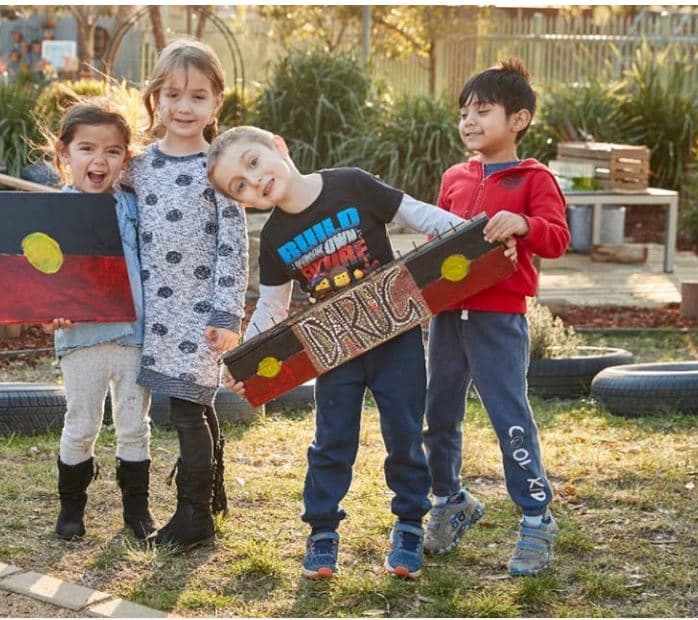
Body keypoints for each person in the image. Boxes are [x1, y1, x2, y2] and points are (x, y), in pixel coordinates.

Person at [207, 125, 514, 580]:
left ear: (277, 146)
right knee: (331, 441)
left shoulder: (350, 183)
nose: (255, 181)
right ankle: (322, 532)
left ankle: (409, 525)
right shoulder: (273, 239)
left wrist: (475, 236)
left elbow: (416, 214)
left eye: (253, 164)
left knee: (405, 434)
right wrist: (247, 361)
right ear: (245, 203)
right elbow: (272, 306)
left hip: (397, 339)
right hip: (333, 350)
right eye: (241, 186)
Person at [422, 58, 570, 576]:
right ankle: (449, 502)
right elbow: (436, 239)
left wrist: (524, 224)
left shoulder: (534, 177)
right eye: (464, 112)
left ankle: (535, 519)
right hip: (445, 319)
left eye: (483, 110)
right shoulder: (454, 177)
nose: (469, 121)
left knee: (510, 420)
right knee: (438, 417)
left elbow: (556, 238)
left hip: (498, 320)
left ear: (519, 120)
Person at [125, 39, 249, 550]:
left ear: (216, 103)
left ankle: (193, 515)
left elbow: (234, 247)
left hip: (199, 314)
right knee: (197, 406)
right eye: (172, 94)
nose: (183, 106)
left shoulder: (220, 170)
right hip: (154, 310)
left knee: (186, 410)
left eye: (197, 96)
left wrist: (226, 312)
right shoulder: (139, 166)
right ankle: (213, 494)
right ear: (155, 97)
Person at [39, 97, 155, 542]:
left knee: (133, 424)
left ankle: (136, 511)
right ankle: (71, 510)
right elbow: (41, 275)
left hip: (134, 334)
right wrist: (47, 310)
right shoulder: (53, 214)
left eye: (112, 151)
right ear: (63, 154)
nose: (99, 160)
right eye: (87, 148)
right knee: (81, 423)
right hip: (81, 337)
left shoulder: (133, 205)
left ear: (126, 158)